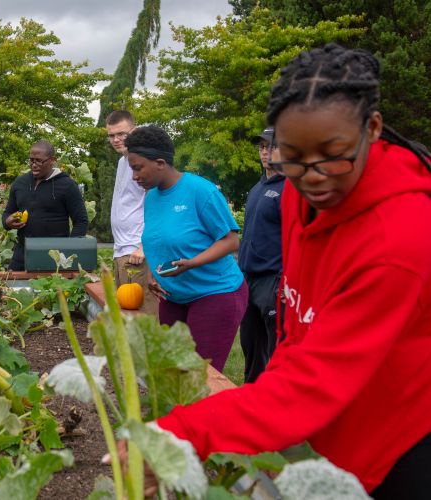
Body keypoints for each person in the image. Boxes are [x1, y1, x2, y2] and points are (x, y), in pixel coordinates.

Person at [131, 44, 431, 497]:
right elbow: (300, 327)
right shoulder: (299, 193)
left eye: (333, 154)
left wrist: (184, 433)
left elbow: (313, 385)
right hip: (336, 429)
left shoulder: (402, 240)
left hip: (401, 439)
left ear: (372, 129)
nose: (312, 177)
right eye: (291, 156)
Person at [124, 126, 248, 372]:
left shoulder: (200, 191)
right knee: (171, 372)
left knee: (199, 378)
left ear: (160, 163)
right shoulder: (151, 198)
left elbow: (231, 240)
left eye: (138, 168)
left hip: (215, 293)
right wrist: (152, 274)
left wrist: (193, 262)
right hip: (172, 297)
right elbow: (157, 240)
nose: (134, 176)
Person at [238, 127, 285, 383]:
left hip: (273, 279)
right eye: (262, 147)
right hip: (249, 278)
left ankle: (279, 400)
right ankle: (251, 393)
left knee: (274, 347)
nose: (265, 152)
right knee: (250, 344)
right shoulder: (257, 188)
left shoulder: (290, 189)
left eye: (272, 146)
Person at [2, 140, 89, 271]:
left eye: (39, 161)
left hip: (53, 257)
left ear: (52, 160)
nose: (34, 165)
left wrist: (68, 252)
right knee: (13, 288)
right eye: (31, 160)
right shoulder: (20, 183)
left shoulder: (67, 185)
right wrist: (7, 222)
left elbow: (81, 221)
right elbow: (7, 213)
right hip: (22, 255)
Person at [106, 110, 157, 315]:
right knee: (127, 319)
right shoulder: (122, 162)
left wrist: (144, 246)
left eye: (121, 134)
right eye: (111, 135)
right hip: (122, 251)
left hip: (137, 253)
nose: (116, 140)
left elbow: (157, 204)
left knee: (145, 320)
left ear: (134, 131)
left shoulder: (143, 162)